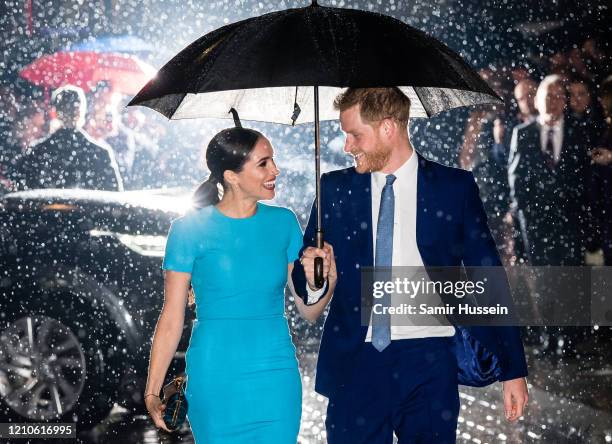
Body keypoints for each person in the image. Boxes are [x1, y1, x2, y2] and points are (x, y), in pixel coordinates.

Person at [292, 87, 528, 443]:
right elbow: (306, 274)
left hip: (430, 360)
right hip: (356, 361)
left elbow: (488, 276)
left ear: (388, 128)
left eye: (354, 135)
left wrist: (513, 369)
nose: (347, 146)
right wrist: (313, 279)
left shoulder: (453, 188)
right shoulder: (335, 189)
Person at [144, 127, 335, 443]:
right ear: (231, 176)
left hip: (276, 377)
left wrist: (325, 280)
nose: (275, 170)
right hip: (214, 376)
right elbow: (172, 318)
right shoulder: (186, 231)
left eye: (273, 160)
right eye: (264, 163)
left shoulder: (285, 222)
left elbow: (309, 310)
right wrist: (153, 390)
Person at [508, 75, 594, 266]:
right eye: (548, 96)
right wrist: (526, 214)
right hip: (535, 224)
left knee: (573, 285)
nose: (553, 101)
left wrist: (584, 220)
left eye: (559, 96)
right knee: (543, 285)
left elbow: (586, 179)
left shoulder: (579, 132)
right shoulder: (522, 133)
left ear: (565, 101)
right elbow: (516, 179)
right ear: (537, 101)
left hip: (571, 223)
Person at [9, 85, 123, 191]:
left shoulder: (37, 151)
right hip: (86, 212)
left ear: (56, 113)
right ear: (81, 112)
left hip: (46, 212)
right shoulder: (99, 153)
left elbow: (21, 193)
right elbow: (114, 197)